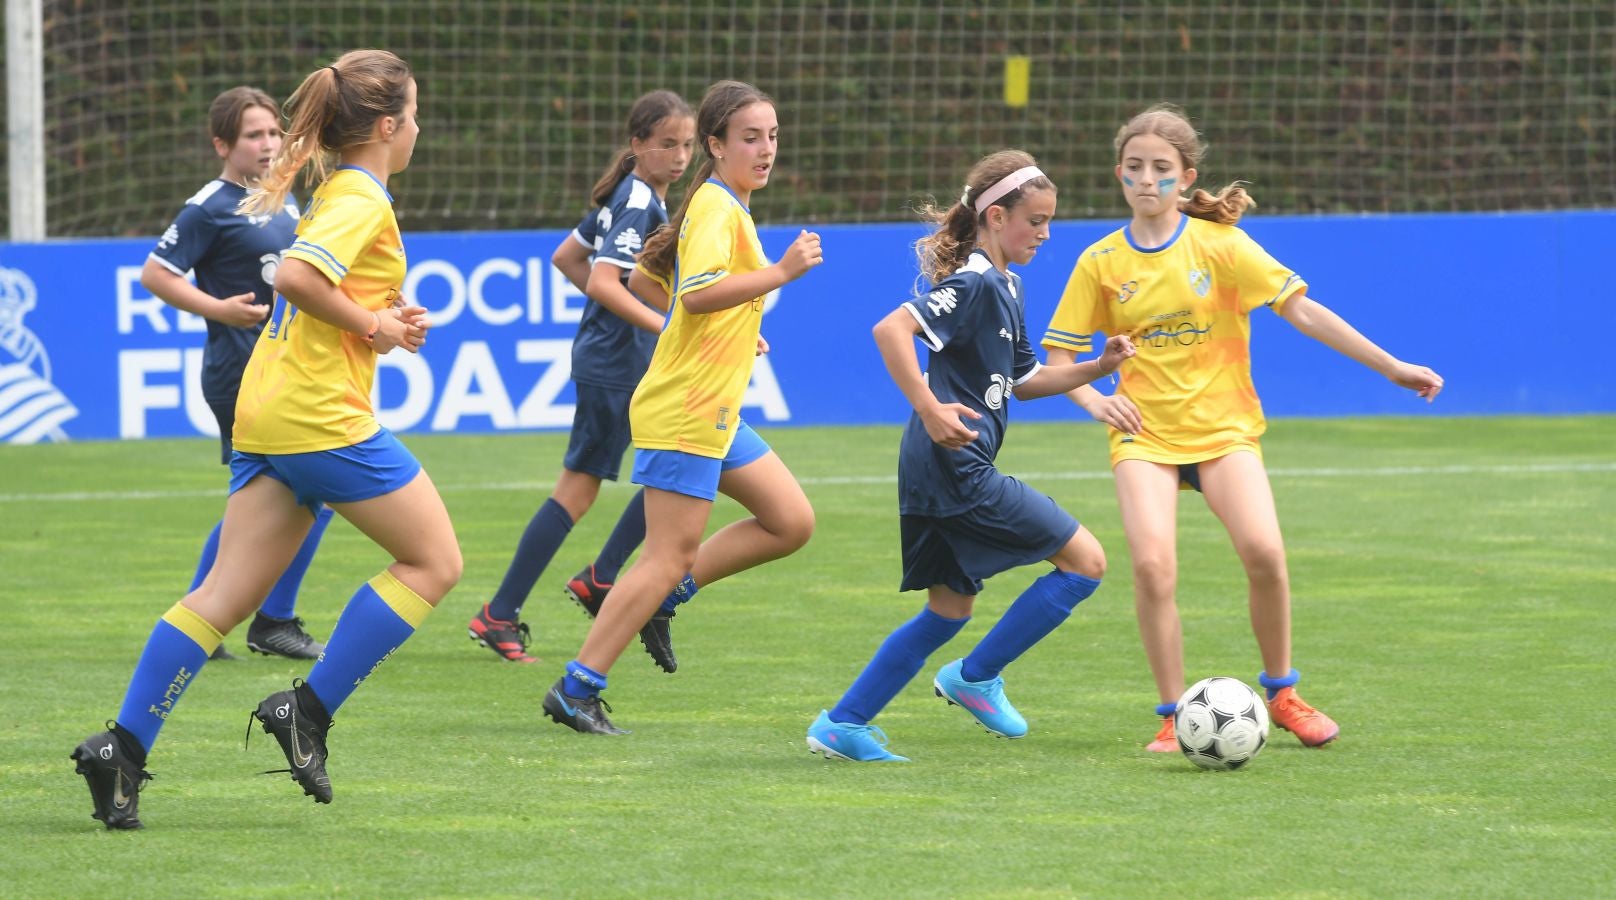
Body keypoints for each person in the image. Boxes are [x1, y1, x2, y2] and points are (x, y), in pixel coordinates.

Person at [70, 49, 459, 829]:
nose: (418, 129)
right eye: (413, 115)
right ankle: (306, 711)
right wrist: (374, 323)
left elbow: (324, 284)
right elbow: (298, 281)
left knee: (221, 598)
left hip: (270, 409)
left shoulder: (338, 193)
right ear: (388, 126)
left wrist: (386, 320)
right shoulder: (362, 196)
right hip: (320, 416)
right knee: (434, 563)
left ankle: (122, 751)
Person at [1040, 104, 1444, 753]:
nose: (1148, 180)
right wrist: (1096, 401)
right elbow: (1059, 359)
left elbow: (1303, 311)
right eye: (1136, 168)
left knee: (1264, 553)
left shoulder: (1221, 246)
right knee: (1151, 567)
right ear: (1119, 173)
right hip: (1144, 436)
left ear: (1186, 175)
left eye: (1162, 170)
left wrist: (1391, 366)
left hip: (1225, 430)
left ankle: (1282, 695)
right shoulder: (1100, 262)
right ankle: (1173, 716)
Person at [805, 151, 1135, 762]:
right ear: (995, 215)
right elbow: (890, 331)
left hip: (934, 469)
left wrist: (1097, 367)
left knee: (950, 607)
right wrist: (931, 407)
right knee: (1085, 561)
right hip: (956, 469)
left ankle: (843, 723)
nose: (1044, 233)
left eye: (1049, 221)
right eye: (1034, 220)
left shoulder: (1006, 286)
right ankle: (975, 677)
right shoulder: (977, 283)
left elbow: (1024, 379)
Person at [541, 79, 821, 734]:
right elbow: (695, 296)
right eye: (750, 137)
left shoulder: (726, 206)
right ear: (717, 146)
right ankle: (577, 687)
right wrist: (778, 275)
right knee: (666, 555)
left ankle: (665, 602)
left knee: (790, 520)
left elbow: (651, 281)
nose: (766, 149)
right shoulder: (720, 210)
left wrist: (740, 324)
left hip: (713, 407)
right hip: (687, 409)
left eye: (773, 136)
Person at [467, 91, 694, 669]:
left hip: (616, 360)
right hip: (617, 365)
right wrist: (664, 326)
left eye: (687, 144)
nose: (679, 155)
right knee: (647, 473)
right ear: (637, 144)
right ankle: (509, 609)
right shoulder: (640, 202)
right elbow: (600, 280)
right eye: (667, 143)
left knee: (680, 463)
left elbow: (567, 257)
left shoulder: (634, 197)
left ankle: (599, 578)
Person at [140, 86, 330, 662]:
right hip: (240, 372)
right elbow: (156, 273)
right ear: (223, 143)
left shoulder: (282, 198)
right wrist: (218, 308)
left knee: (269, 503)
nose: (269, 143)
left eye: (274, 131)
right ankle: (269, 619)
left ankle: (208, 620)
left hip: (280, 369)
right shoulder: (210, 205)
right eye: (254, 135)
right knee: (312, 492)